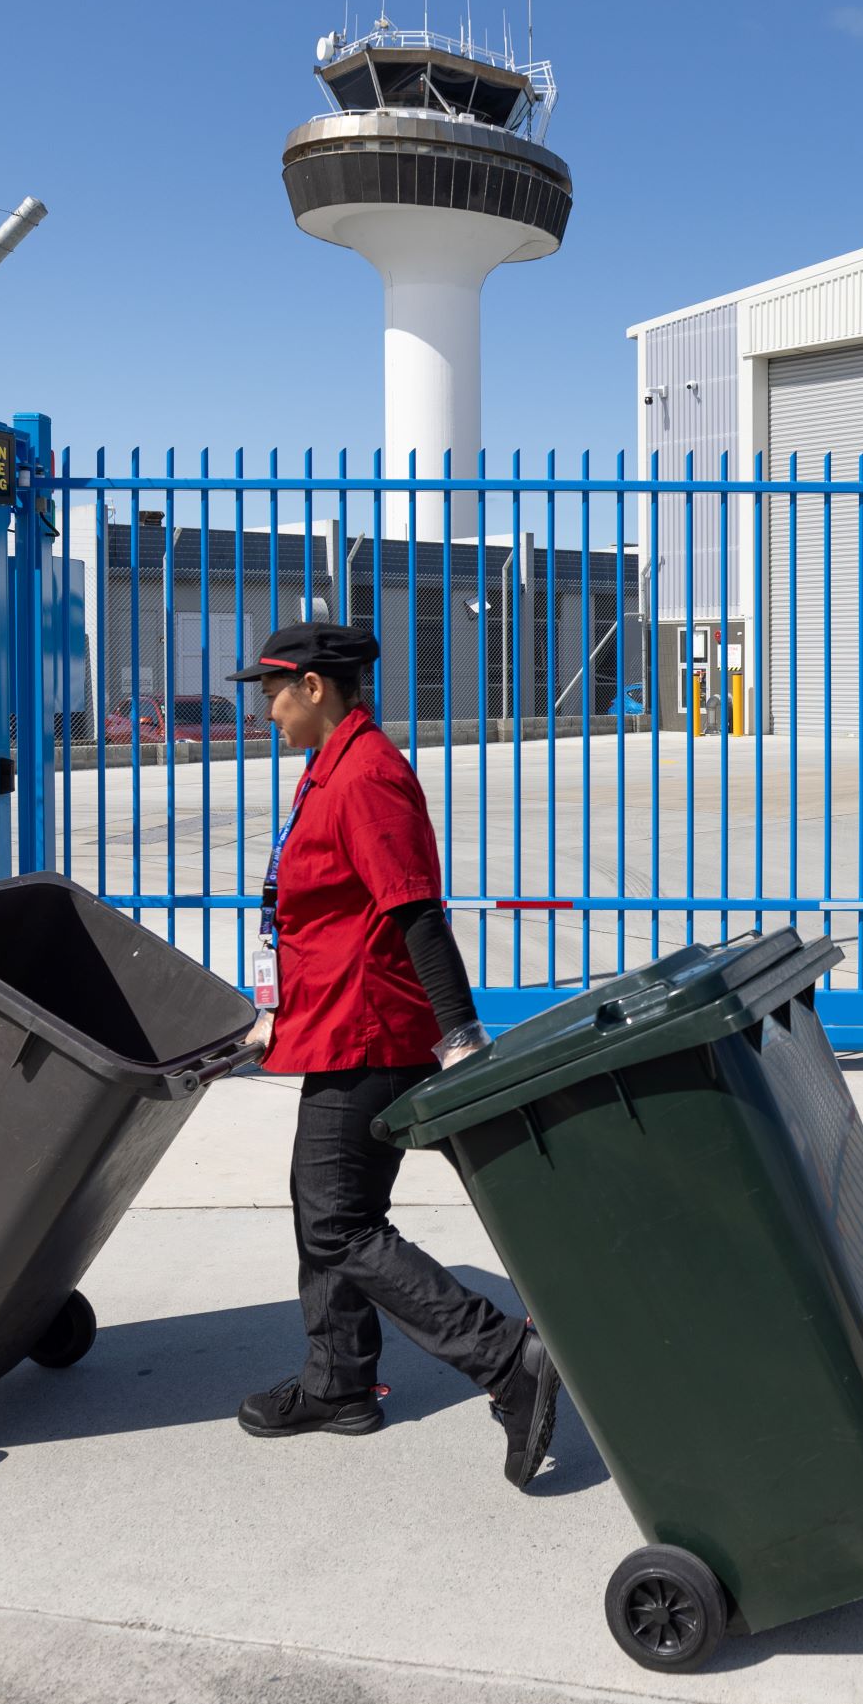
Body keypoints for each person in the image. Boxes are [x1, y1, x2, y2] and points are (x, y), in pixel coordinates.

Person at [227, 620, 559, 1487]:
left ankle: (505, 1360)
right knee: (322, 1205)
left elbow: (415, 910)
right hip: (332, 1021)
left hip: (369, 1033)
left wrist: (459, 1039)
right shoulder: (327, 769)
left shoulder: (368, 776)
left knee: (338, 1221)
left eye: (271, 691)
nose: (264, 710)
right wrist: (276, 1009)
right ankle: (338, 1383)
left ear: (313, 686)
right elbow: (325, 916)